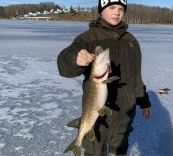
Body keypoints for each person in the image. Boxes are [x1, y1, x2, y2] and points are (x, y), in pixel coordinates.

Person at [57, 0, 152, 155]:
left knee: (119, 149)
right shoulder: (88, 38)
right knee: (95, 151)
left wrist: (144, 101)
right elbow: (63, 63)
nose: (117, 12)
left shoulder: (131, 41)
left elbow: (136, 75)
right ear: (101, 10)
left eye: (121, 8)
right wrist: (75, 59)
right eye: (112, 7)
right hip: (97, 115)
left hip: (124, 111)